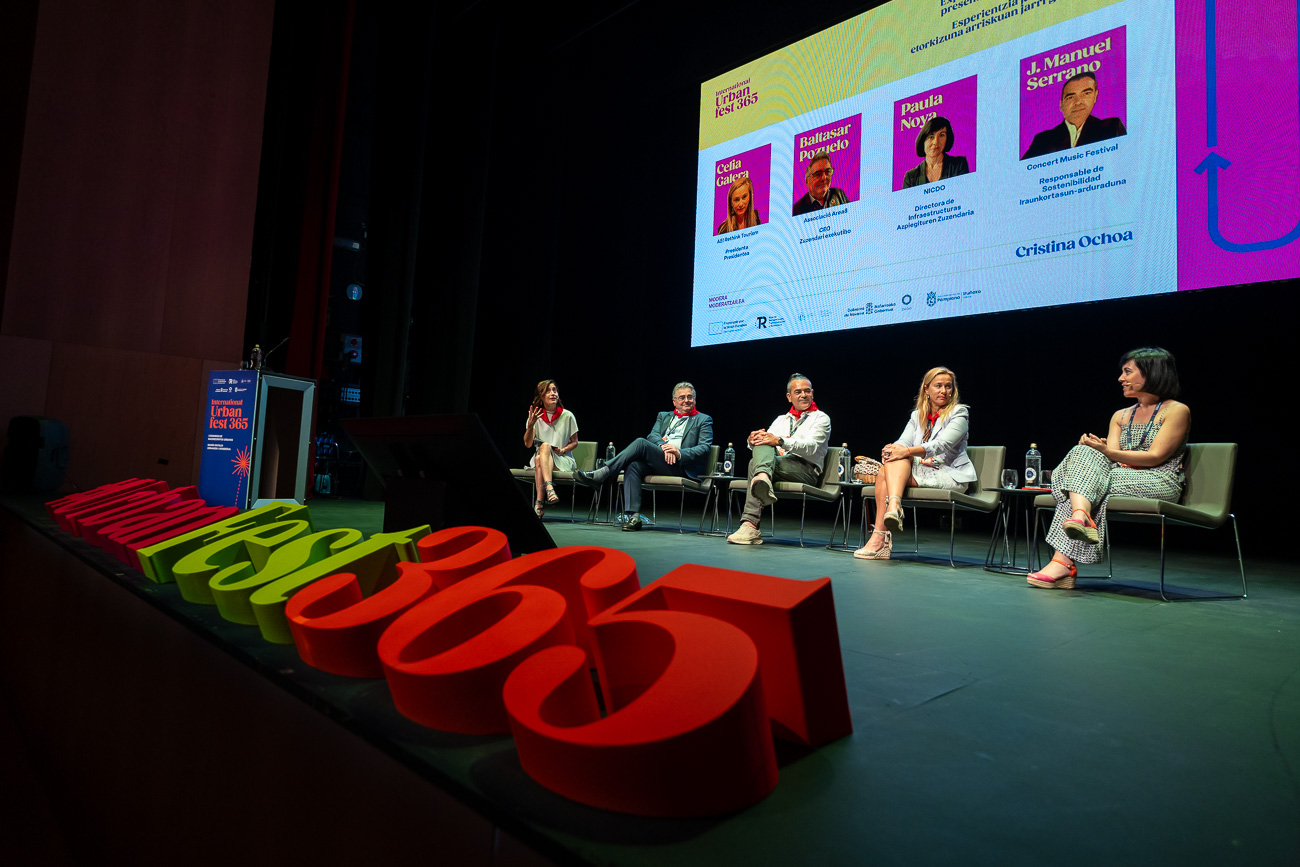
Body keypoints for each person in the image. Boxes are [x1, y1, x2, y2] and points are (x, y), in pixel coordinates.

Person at [1028, 348, 1189, 589]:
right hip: (1119, 476)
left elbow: (1155, 457)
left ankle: (1063, 562)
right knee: (1082, 453)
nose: (1120, 379)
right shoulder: (1121, 416)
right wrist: (1098, 450)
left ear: (1152, 373)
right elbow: (1113, 461)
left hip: (1160, 480)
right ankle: (1080, 517)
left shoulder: (1176, 410)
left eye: (1127, 372)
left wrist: (1105, 451)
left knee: (1080, 483)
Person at [855, 366, 975, 559]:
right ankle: (893, 509)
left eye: (948, 386)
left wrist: (906, 451)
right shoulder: (917, 415)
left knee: (886, 471)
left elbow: (942, 444)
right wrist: (893, 448)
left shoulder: (960, 413)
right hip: (923, 469)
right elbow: (904, 441)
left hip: (950, 473)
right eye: (938, 386)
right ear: (926, 389)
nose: (944, 391)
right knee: (893, 460)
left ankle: (880, 538)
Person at [574, 382, 714, 531]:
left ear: (695, 399)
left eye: (690, 397)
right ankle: (634, 517)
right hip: (662, 460)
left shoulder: (703, 420)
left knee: (641, 443)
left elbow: (704, 447)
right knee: (633, 465)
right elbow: (653, 435)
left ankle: (602, 473)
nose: (686, 400)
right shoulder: (663, 416)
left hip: (682, 466)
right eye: (682, 397)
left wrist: (678, 453)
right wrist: (664, 447)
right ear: (674, 401)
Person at [727, 374, 831, 545]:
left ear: (812, 393)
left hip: (806, 469)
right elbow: (766, 446)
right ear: (789, 397)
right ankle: (762, 479)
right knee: (763, 441)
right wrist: (752, 441)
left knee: (758, 461)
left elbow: (811, 446)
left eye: (807, 391)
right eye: (798, 392)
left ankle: (750, 524)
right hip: (777, 465)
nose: (803, 395)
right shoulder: (781, 419)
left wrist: (780, 441)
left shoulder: (821, 418)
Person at [1021, 71, 1127, 160]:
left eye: (1086, 94)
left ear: (1095, 96)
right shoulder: (1042, 139)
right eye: (1070, 97)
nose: (1078, 102)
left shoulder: (1111, 128)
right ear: (1061, 105)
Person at [523, 379, 579, 517]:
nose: (553, 393)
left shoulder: (567, 415)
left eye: (554, 390)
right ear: (541, 397)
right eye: (548, 391)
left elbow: (575, 442)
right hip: (542, 459)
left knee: (542, 452)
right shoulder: (535, 416)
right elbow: (528, 444)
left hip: (563, 459)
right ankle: (549, 490)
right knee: (541, 453)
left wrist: (563, 450)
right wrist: (530, 426)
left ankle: (539, 503)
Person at [902, 116, 970, 188]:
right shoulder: (911, 177)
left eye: (941, 135)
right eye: (931, 137)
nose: (936, 142)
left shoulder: (959, 165)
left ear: (947, 139)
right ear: (923, 141)